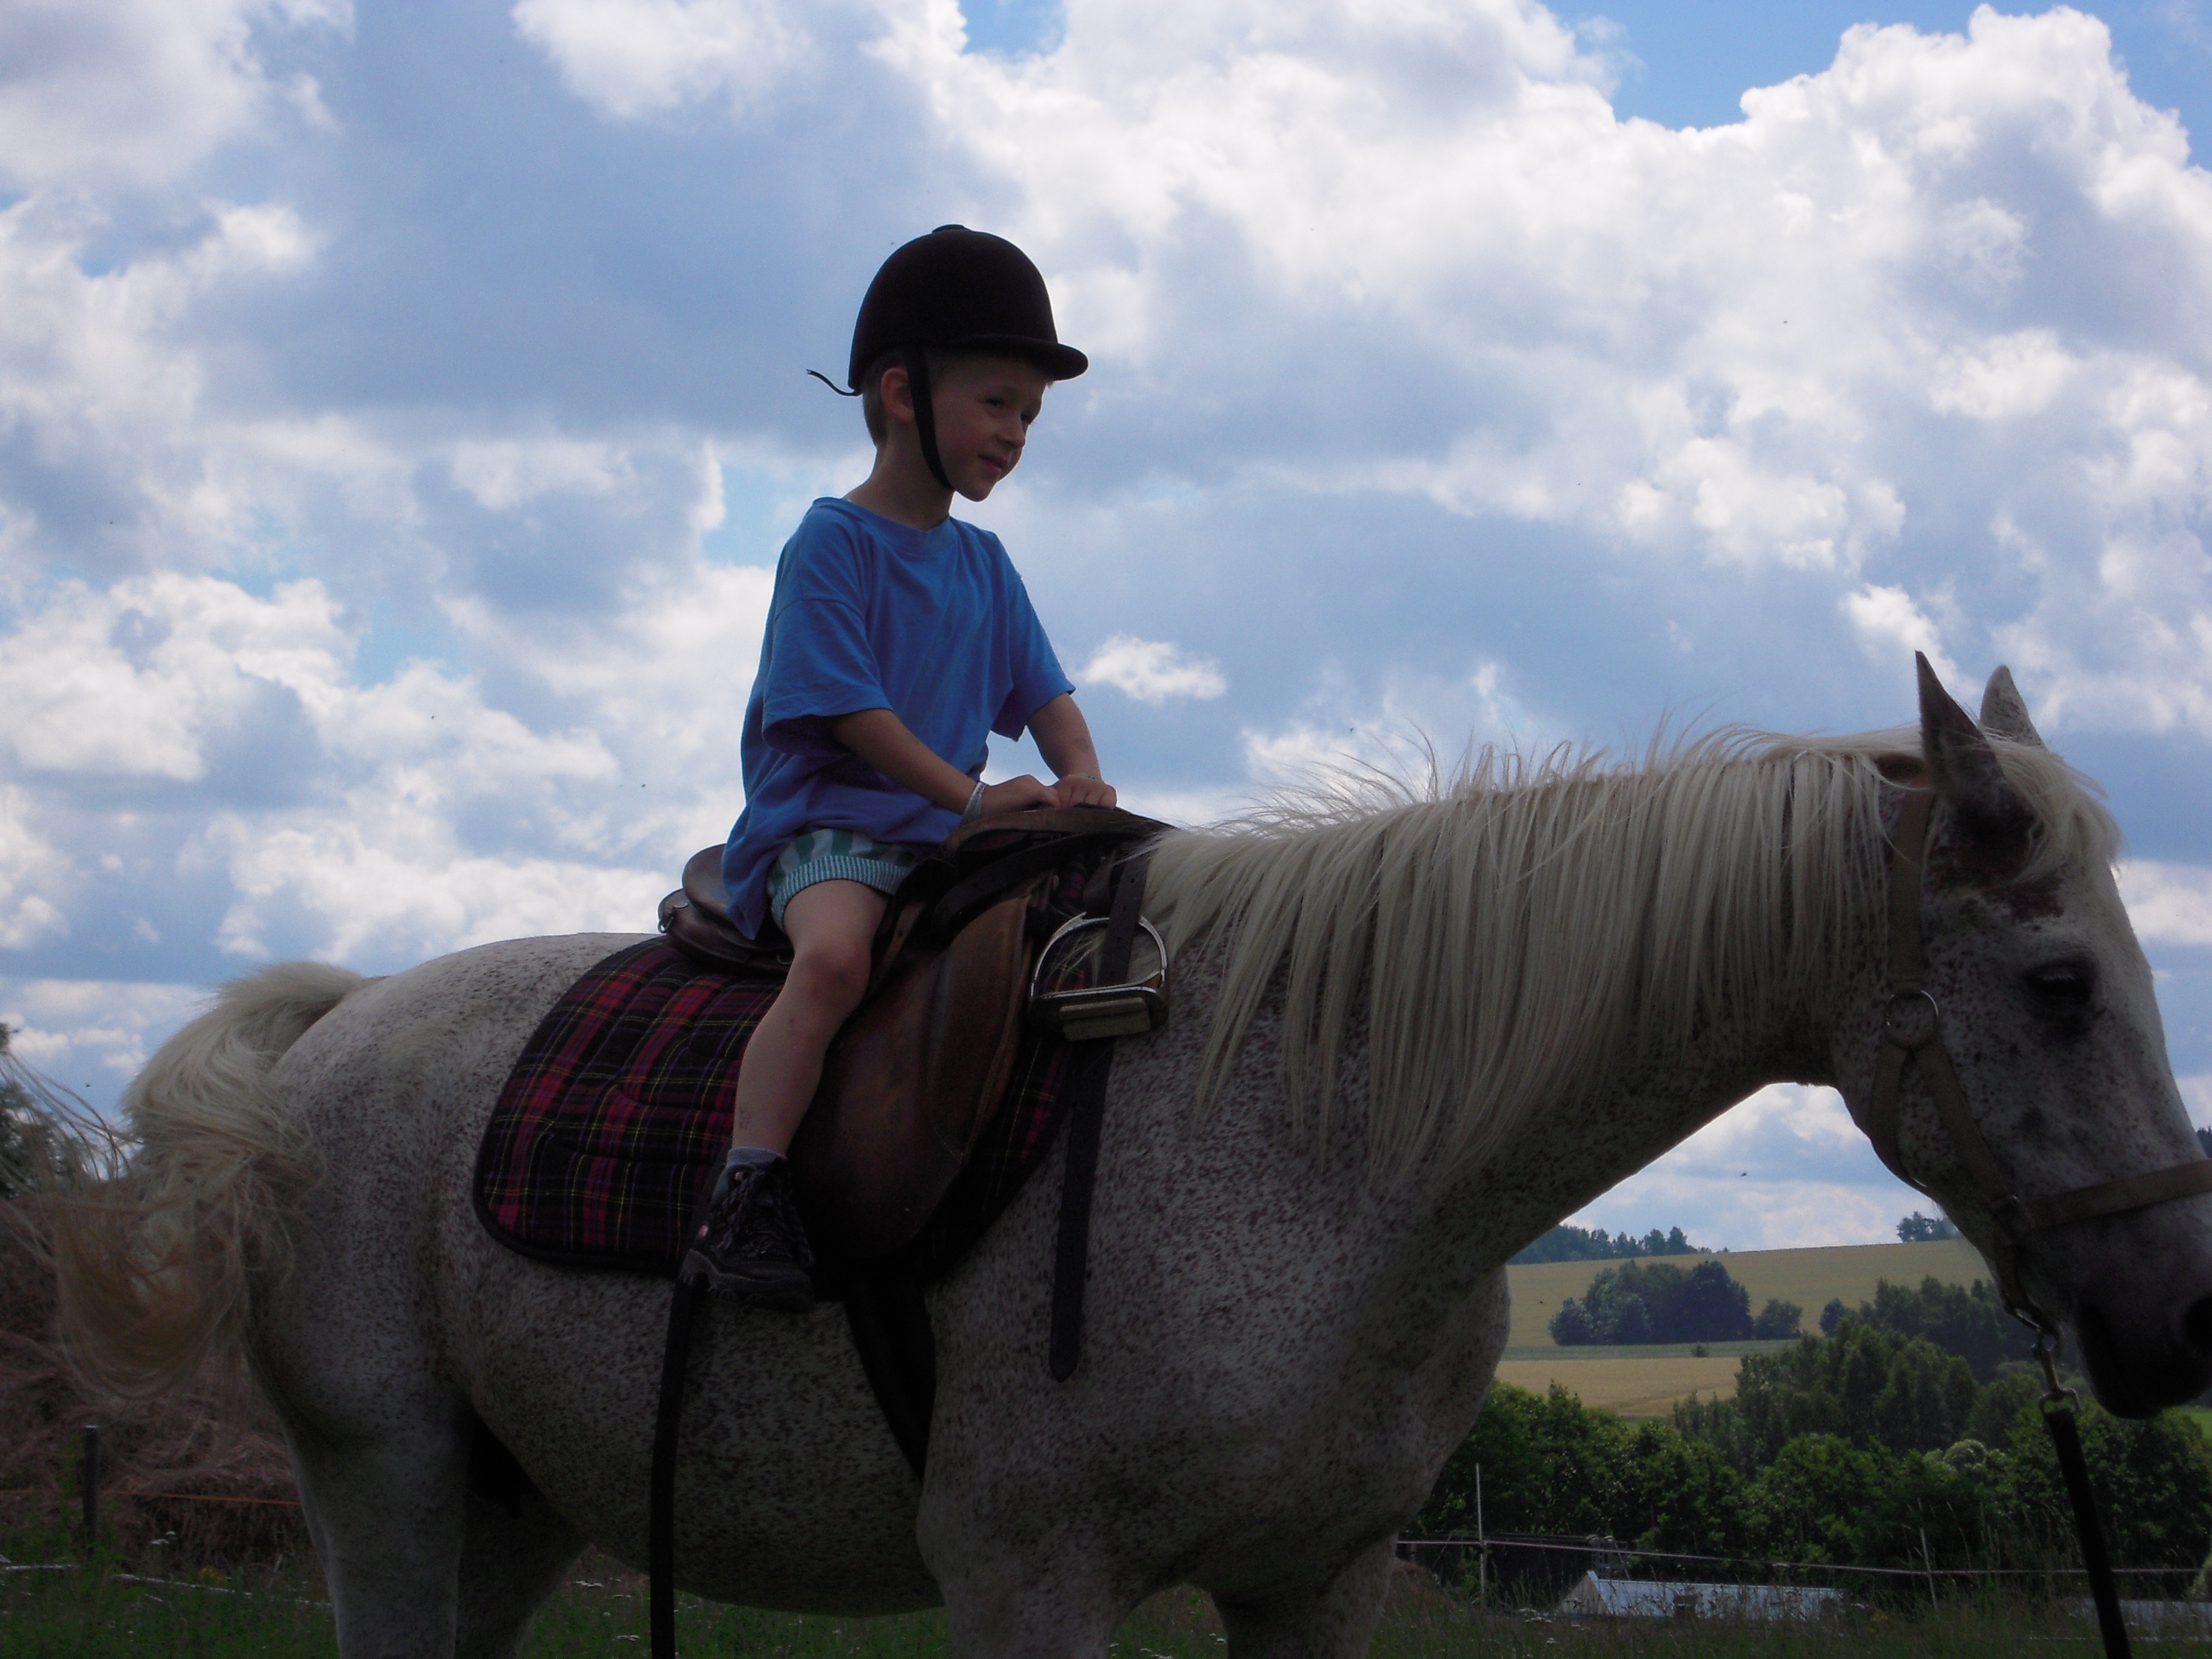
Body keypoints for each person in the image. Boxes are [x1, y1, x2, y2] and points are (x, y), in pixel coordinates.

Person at [681, 226, 1117, 1309]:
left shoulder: (985, 563)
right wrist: (975, 795)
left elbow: (1047, 696)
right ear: (902, 392)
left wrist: (1084, 779)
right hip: (836, 830)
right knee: (835, 963)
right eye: (998, 403)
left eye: (1030, 416)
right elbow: (851, 714)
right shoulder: (832, 542)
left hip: (950, 842)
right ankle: (747, 1188)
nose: (1015, 434)